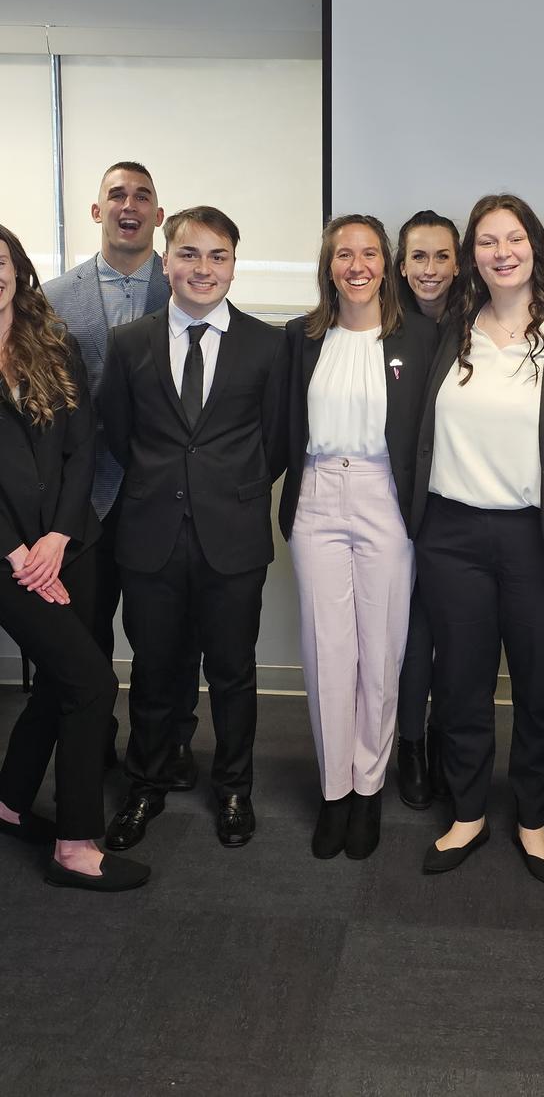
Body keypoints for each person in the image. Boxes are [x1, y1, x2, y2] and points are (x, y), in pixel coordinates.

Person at [410, 194, 544, 885]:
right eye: (486, 241)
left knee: (541, 687)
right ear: (473, 254)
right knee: (462, 682)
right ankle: (468, 812)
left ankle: (533, 819)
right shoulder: (448, 328)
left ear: (535, 244)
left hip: (543, 539)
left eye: (513, 238)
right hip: (453, 535)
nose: (501, 252)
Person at [100, 206, 287, 851]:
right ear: (166, 260)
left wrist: (226, 490)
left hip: (231, 537)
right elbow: (121, 435)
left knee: (233, 671)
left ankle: (234, 787)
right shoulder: (131, 343)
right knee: (154, 669)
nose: (202, 269)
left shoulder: (269, 345)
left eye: (217, 257)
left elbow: (279, 440)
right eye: (188, 254)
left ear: (234, 265)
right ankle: (145, 784)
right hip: (150, 533)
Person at [280, 214, 438, 860]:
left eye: (369, 252)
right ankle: (334, 789)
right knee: (328, 651)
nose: (357, 265)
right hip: (317, 497)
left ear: (388, 264)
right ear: (329, 265)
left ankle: (369, 786)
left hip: (384, 500)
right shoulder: (300, 338)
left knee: (382, 649)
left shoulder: (422, 339)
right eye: (344, 254)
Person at [42, 161, 201, 788]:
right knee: (84, 634)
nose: (127, 205)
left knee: (169, 636)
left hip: (165, 496)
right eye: (116, 195)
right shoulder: (51, 302)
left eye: (142, 196)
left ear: (159, 216)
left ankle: (170, 743)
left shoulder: (188, 289)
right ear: (96, 211)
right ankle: (94, 738)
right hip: (80, 503)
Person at [0, 224, 149, 891]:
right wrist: (19, 551)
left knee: (66, 678)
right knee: (93, 685)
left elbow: (81, 442)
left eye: (0, 261)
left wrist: (59, 535)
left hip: (71, 541)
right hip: (8, 561)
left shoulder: (49, 340)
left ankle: (7, 801)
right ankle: (75, 844)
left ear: (17, 269)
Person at [395, 209, 460, 809]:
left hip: (460, 501)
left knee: (457, 637)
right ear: (401, 262)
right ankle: (410, 746)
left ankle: (448, 743)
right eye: (419, 256)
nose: (431, 269)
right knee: (414, 635)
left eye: (442, 256)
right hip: (399, 504)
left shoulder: (479, 322)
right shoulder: (385, 327)